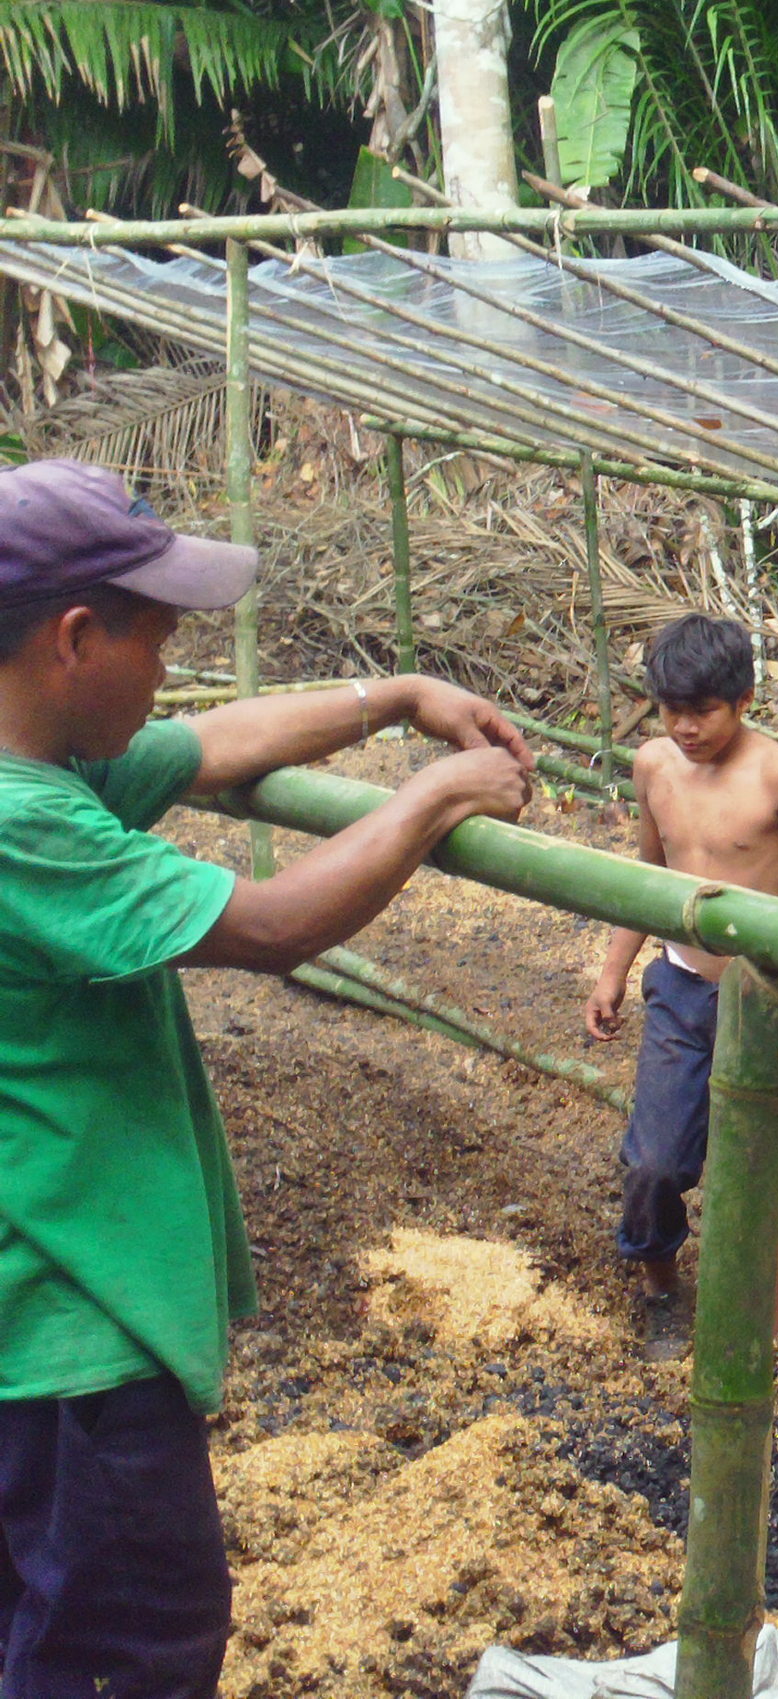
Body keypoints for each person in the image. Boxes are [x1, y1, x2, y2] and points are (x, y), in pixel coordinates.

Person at [0, 457, 533, 1699]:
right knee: (127, 1648)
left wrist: (398, 697)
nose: (172, 671)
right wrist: (435, 797)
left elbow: (212, 743)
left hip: (29, 1323)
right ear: (77, 639)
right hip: (71, 1330)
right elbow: (273, 924)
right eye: (160, 640)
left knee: (39, 1624)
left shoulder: (44, 763)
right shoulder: (26, 824)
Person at [583, 614, 778, 1351]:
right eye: (671, 709)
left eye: (702, 711)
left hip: (761, 994)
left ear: (742, 700)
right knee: (653, 1162)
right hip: (678, 987)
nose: (685, 726)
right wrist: (613, 969)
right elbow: (646, 875)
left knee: (769, 1179)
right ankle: (661, 1291)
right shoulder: (653, 766)